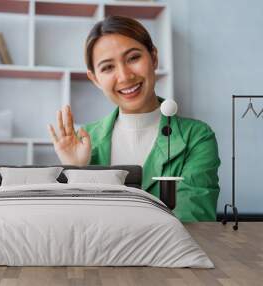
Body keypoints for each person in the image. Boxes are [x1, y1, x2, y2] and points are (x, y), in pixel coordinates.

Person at [47, 16, 220, 222]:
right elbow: (72, 227)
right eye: (108, 67)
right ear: (95, 79)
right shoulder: (84, 140)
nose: (125, 76)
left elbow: (193, 220)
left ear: (153, 58)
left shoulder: (197, 137)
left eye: (133, 58)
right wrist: (76, 171)